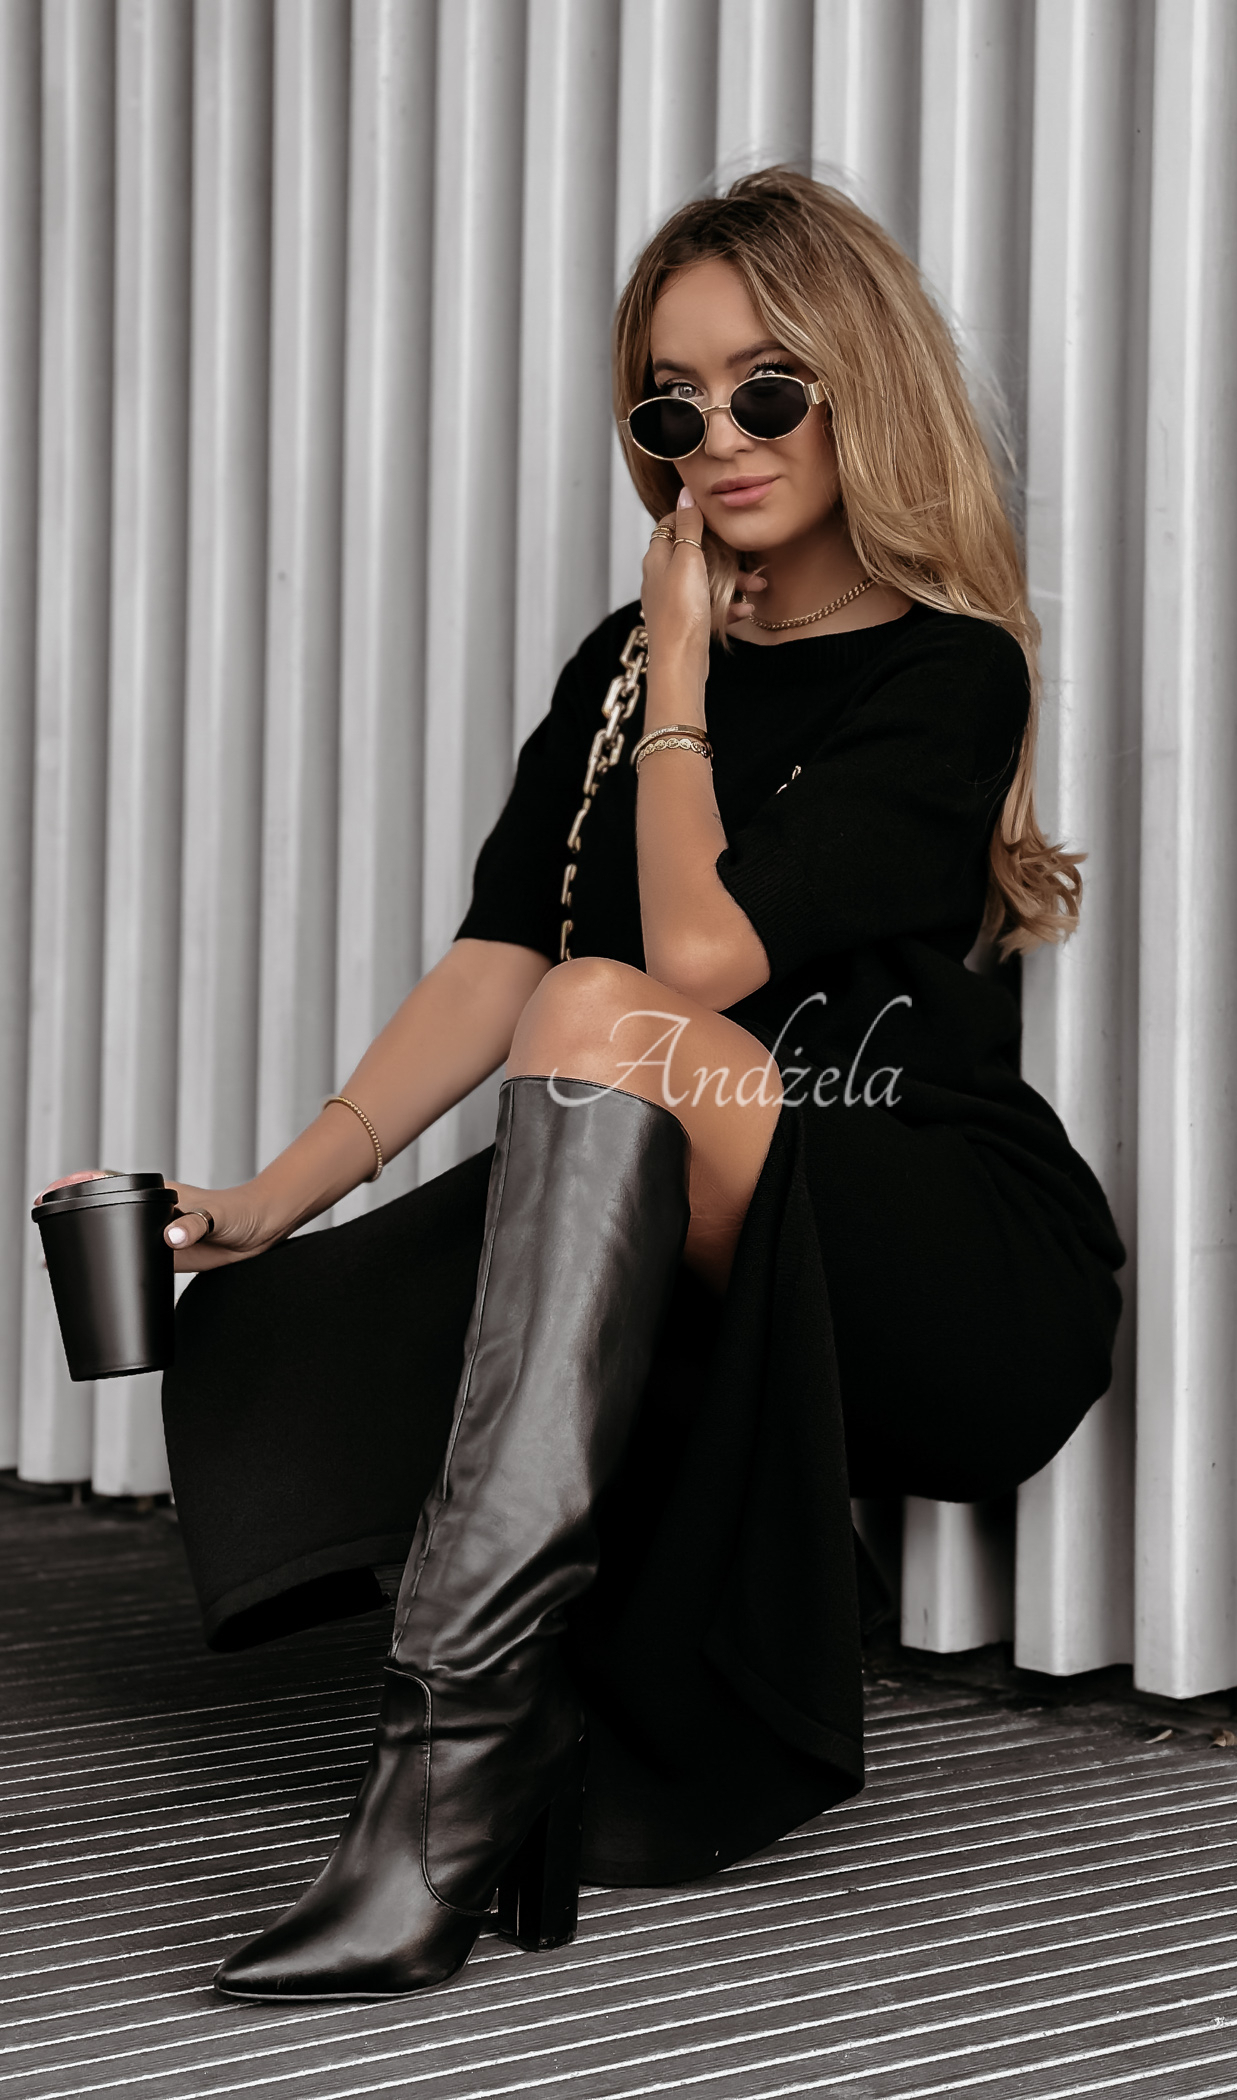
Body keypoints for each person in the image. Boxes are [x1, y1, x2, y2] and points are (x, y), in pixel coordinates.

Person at [46, 168, 1124, 2002]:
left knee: (615, 1006)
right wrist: (275, 1194)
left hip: (937, 1250)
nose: (721, 439)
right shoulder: (611, 673)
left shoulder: (951, 673)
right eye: (672, 406)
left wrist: (684, 667)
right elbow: (498, 959)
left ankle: (449, 1776)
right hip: (709, 1227)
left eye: (766, 389)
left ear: (858, 386)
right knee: (527, 1076)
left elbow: (691, 964)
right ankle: (473, 1750)